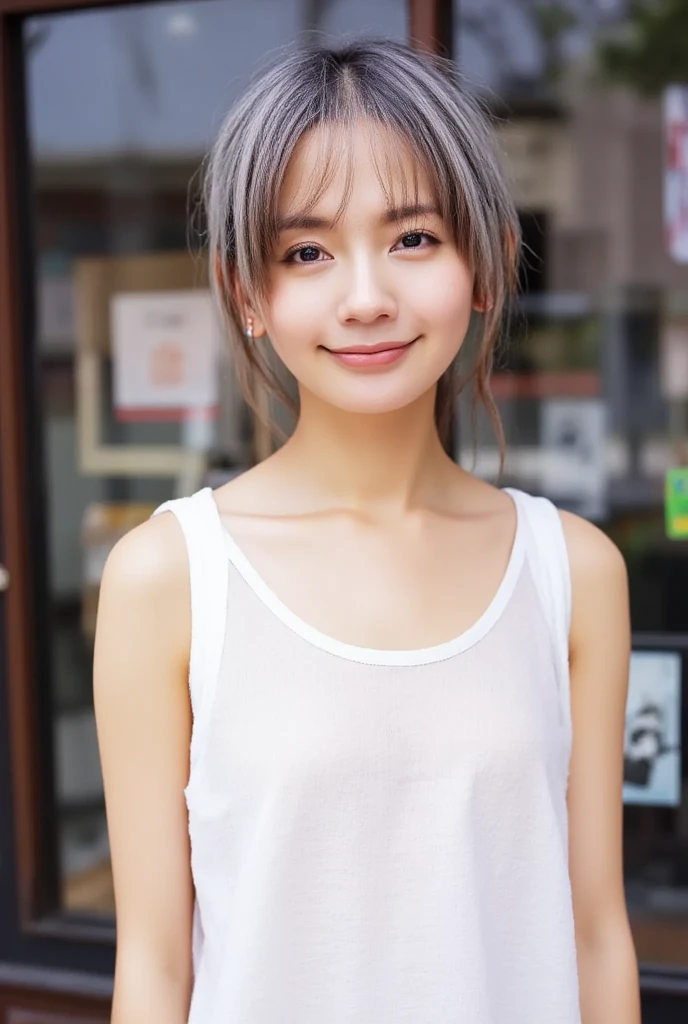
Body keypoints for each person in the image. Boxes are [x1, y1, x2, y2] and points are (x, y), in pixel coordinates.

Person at [93, 38, 641, 1024]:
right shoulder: (169, 577)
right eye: (305, 251)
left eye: (414, 238)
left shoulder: (571, 570)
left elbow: (597, 930)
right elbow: (155, 964)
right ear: (246, 294)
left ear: (486, 263)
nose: (364, 296)